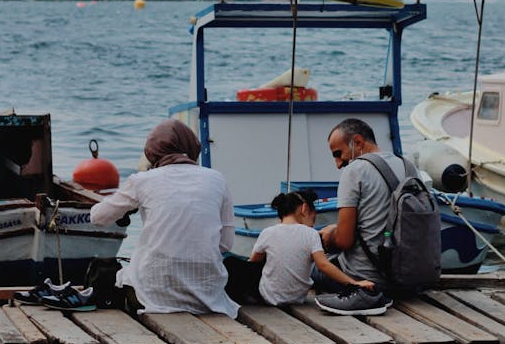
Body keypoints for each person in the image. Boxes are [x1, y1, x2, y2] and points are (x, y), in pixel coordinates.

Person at [89, 119, 238, 317]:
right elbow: (226, 244)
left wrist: (138, 184)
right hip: (207, 296)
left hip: (152, 294)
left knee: (104, 274)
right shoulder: (217, 179)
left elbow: (97, 217)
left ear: (152, 151)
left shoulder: (142, 180)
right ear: (192, 148)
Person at [319, 117, 407, 293]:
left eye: (338, 153)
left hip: (366, 279)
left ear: (357, 142)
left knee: (315, 267)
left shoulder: (355, 170)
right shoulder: (408, 167)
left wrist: (330, 235)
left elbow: (344, 241)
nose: (338, 164)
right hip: (408, 279)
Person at [247, 189, 376, 306]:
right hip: (296, 299)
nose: (313, 222)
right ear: (304, 209)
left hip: (267, 297)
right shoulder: (311, 234)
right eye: (313, 217)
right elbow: (323, 265)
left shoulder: (267, 232)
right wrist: (354, 283)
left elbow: (253, 263)